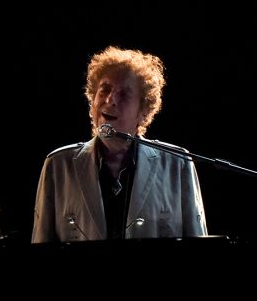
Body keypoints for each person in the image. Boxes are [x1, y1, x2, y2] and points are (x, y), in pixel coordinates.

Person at [31, 46, 208, 243]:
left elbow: (198, 247)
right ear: (92, 99)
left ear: (143, 111)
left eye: (124, 94)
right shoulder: (58, 165)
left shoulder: (177, 164)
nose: (110, 100)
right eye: (104, 89)